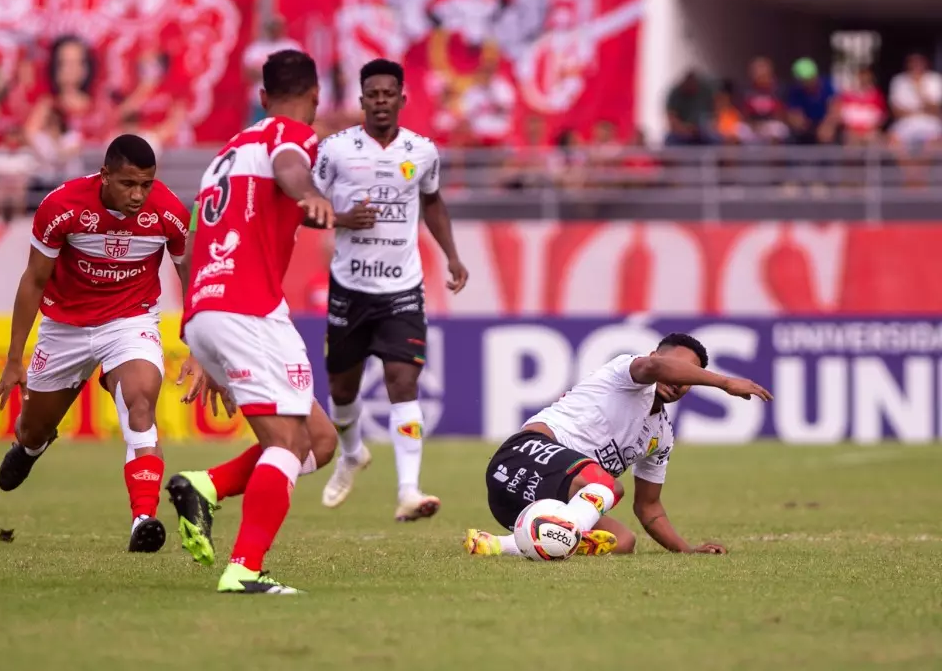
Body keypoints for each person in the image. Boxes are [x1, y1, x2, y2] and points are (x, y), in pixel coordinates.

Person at [172, 49, 335, 594]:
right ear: (315, 96)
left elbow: (195, 236)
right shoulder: (291, 135)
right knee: (287, 443)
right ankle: (244, 569)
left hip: (211, 307)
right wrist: (309, 193)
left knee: (318, 440)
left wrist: (200, 330)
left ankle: (205, 486)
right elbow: (290, 165)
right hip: (247, 310)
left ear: (261, 97)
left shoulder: (227, 152)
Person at [0, 133, 198, 554]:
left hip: (129, 321)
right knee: (33, 427)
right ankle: (31, 447)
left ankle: (143, 518)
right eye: (128, 184)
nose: (138, 195)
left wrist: (199, 345)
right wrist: (14, 359)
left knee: (141, 402)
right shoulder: (61, 206)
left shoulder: (169, 212)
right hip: (65, 327)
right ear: (104, 175)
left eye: (146, 184)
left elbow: (191, 277)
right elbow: (34, 280)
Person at [312, 58, 469, 521]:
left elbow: (433, 201)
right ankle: (352, 454)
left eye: (388, 94)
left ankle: (408, 491)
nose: (380, 101)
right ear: (362, 100)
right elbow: (304, 203)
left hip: (402, 289)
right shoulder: (336, 150)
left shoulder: (422, 151)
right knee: (342, 388)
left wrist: (452, 255)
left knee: (404, 382)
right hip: (349, 288)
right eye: (373, 95)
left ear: (402, 98)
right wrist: (341, 218)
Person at [464, 333, 772, 558]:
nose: (679, 381)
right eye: (675, 367)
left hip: (519, 507)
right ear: (655, 356)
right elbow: (654, 367)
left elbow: (648, 507)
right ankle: (561, 533)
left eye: (688, 379)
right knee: (607, 485)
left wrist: (687, 550)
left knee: (622, 542)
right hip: (520, 457)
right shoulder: (626, 371)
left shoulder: (661, 435)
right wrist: (724, 382)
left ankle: (498, 545)